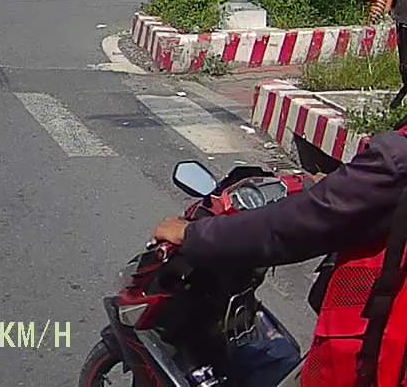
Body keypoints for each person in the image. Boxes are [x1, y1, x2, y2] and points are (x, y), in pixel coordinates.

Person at [152, 126, 407, 387]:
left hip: (370, 360)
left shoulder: (397, 161)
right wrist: (343, 183)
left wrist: (193, 235)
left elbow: (293, 226)